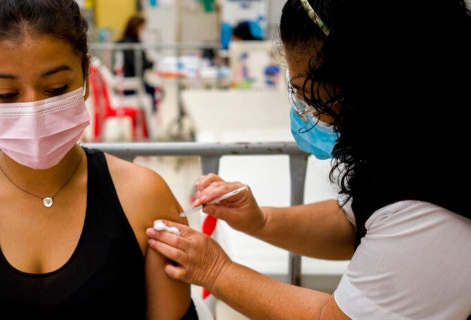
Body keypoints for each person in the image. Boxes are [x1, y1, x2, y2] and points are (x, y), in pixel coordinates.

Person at [0, 1, 198, 319]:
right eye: (6, 94)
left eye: (55, 88)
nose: (33, 110)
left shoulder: (145, 199)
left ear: (84, 76)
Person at [146, 0, 471, 319]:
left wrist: (216, 270)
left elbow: (332, 316)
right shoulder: (415, 141)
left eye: (312, 96)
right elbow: (354, 221)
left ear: (370, 89)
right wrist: (261, 221)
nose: (305, 110)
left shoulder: (438, 205)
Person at [115, 14, 161, 113]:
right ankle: (149, 122)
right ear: (136, 27)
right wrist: (151, 63)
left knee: (154, 89)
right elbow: (138, 65)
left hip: (125, 83)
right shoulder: (133, 45)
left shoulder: (121, 42)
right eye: (142, 28)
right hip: (130, 85)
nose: (143, 31)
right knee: (155, 91)